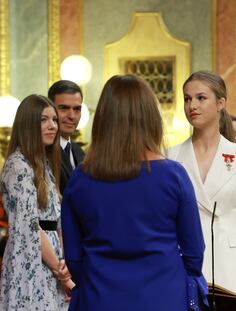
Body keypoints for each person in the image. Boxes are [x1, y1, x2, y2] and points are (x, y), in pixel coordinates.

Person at [61, 75, 207, 311]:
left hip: (99, 297)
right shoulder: (174, 175)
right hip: (165, 296)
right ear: (150, 117)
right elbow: (194, 252)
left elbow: (74, 258)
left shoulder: (81, 178)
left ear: (104, 119)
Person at [167, 70, 236, 297]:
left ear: (220, 103)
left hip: (233, 269)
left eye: (200, 98)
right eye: (187, 99)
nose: (192, 105)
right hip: (185, 267)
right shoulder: (170, 156)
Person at [0, 94, 72, 310]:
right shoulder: (18, 166)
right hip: (31, 260)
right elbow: (30, 226)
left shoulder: (44, 166)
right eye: (43, 120)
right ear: (28, 124)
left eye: (54, 120)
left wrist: (65, 262)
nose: (52, 126)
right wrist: (63, 275)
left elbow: (57, 221)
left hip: (53, 262)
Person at [48, 80, 85, 194]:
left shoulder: (81, 153)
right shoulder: (42, 152)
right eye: (64, 108)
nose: (72, 116)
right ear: (49, 109)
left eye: (77, 109)